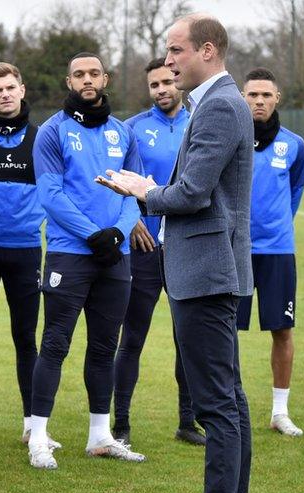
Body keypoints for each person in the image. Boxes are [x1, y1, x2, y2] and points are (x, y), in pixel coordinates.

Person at [99, 14, 254, 493]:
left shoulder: (218, 105)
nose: (168, 61)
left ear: (207, 50)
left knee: (217, 406)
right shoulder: (215, 103)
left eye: (175, 51)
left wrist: (141, 194)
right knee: (229, 400)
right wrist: (148, 185)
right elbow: (194, 186)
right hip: (209, 269)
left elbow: (190, 196)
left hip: (205, 273)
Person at [26, 52, 145, 470]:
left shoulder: (122, 133)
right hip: (70, 253)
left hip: (115, 255)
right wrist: (92, 233)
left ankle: (100, 436)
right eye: (79, 74)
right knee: (55, 344)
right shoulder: (52, 132)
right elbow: (51, 195)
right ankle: (38, 436)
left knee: (103, 348)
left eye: (94, 73)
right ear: (69, 80)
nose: (87, 80)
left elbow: (137, 190)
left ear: (105, 78)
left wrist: (117, 232)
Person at [114, 57, 203, 447]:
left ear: (178, 83)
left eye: (167, 81)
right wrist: (131, 219)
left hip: (185, 247)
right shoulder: (132, 129)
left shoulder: (198, 123)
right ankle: (120, 424)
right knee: (132, 337)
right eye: (154, 85)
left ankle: (188, 421)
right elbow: (115, 180)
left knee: (188, 338)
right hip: (145, 247)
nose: (162, 89)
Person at [0, 62, 52, 447]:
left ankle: (33, 424)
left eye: (10, 87)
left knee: (25, 338)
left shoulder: (40, 139)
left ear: (22, 90)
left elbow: (53, 192)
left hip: (26, 252)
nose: (4, 94)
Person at [239, 67, 304, 437]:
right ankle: (229, 406)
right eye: (252, 95)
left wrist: (278, 224)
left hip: (278, 250)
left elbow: (294, 192)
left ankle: (280, 412)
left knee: (282, 329)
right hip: (234, 248)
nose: (259, 101)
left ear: (277, 98)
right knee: (225, 330)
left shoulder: (294, 144)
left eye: (266, 95)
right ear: (242, 97)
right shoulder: (230, 139)